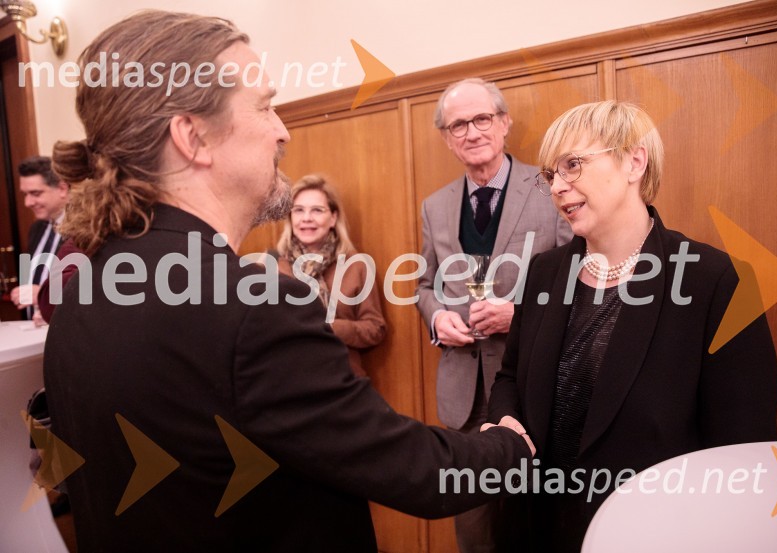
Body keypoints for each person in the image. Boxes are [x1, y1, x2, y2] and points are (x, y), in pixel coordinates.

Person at [43, 11, 534, 553]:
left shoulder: (87, 284)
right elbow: (415, 471)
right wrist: (510, 445)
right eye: (265, 106)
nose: (283, 129)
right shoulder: (255, 306)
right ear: (192, 136)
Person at [486, 100, 777, 551]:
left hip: (656, 531)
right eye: (551, 175)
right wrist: (505, 420)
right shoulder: (544, 272)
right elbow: (510, 376)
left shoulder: (713, 279)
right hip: (537, 526)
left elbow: (742, 446)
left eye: (573, 165)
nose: (558, 187)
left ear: (634, 161)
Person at [415, 78, 572, 552]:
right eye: (458, 124)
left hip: (532, 385)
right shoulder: (435, 206)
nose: (471, 131)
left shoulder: (550, 190)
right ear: (447, 137)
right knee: (472, 525)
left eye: (482, 118)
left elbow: (578, 280)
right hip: (463, 395)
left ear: (504, 123)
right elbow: (425, 284)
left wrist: (519, 315)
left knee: (536, 517)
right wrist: (438, 319)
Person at [274, 174, 386, 377]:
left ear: (333, 218)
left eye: (317, 210)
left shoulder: (356, 265)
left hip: (343, 380)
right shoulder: (272, 267)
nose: (306, 218)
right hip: (287, 381)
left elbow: (375, 329)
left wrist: (327, 328)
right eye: (298, 210)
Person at [9, 156, 69, 321]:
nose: (27, 202)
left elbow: (88, 286)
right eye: (25, 194)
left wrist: (44, 295)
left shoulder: (85, 230)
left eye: (35, 193)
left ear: (62, 189)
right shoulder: (36, 229)